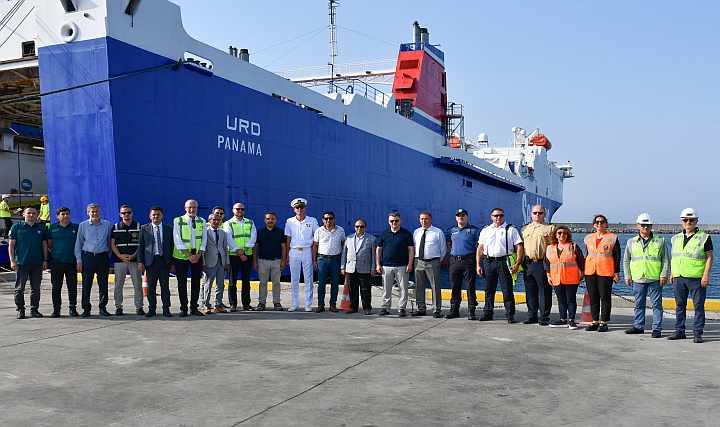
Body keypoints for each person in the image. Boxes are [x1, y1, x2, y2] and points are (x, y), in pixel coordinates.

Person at [668, 208, 714, 343]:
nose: (688, 222)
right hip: (679, 277)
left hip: (696, 278)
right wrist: (672, 272)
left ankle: (697, 333)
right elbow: (675, 257)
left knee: (698, 306)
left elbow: (710, 257)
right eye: (685, 220)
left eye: (691, 220)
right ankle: (679, 331)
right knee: (679, 305)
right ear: (681, 221)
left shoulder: (704, 237)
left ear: (696, 221)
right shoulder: (675, 238)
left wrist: (706, 275)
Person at [623, 213, 669, 338]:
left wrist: (664, 275)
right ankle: (639, 326)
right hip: (638, 278)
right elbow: (626, 260)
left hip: (655, 278)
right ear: (638, 225)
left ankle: (657, 328)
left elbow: (665, 260)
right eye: (643, 225)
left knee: (657, 305)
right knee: (639, 304)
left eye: (648, 225)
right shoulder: (631, 242)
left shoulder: (660, 240)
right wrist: (627, 276)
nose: (645, 227)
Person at [476, 208, 524, 323]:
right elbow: (480, 248)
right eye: (496, 215)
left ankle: (510, 314)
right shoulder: (486, 231)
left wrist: (517, 263)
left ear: (504, 216)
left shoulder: (511, 230)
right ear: (491, 217)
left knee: (507, 289)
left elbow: (519, 247)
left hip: (504, 261)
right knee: (488, 289)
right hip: (488, 262)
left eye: (501, 215)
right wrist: (478, 264)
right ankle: (488, 312)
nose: (498, 218)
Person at [8, 206, 48, 319]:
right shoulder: (16, 227)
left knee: (36, 288)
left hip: (37, 263)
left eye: (34, 213)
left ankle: (34, 309)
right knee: (19, 288)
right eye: (29, 213)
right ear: (23, 215)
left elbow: (44, 245)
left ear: (37, 215)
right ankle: (20, 309)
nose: (31, 215)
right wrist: (12, 260)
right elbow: (11, 245)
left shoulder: (41, 228)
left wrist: (45, 259)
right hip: (21, 263)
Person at [74, 203, 112, 317]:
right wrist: (79, 260)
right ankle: (86, 308)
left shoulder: (107, 225)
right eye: (92, 212)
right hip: (88, 256)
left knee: (103, 283)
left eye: (96, 211)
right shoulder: (83, 225)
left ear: (100, 212)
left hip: (102, 257)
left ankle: (102, 307)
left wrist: (106, 256)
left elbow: (110, 242)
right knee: (86, 284)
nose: (94, 213)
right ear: (88, 213)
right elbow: (78, 243)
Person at [583, 214, 620, 332]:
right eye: (597, 222)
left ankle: (604, 321)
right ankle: (595, 321)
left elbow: (617, 256)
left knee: (604, 297)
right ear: (594, 224)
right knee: (593, 297)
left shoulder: (613, 238)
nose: (600, 224)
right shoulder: (588, 238)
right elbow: (587, 254)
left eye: (602, 222)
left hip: (605, 271)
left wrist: (616, 272)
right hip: (590, 271)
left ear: (606, 224)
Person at [520, 204, 555, 325]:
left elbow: (553, 248)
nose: (537, 215)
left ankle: (544, 317)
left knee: (544, 291)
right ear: (531, 214)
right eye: (535, 213)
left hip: (542, 263)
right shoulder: (524, 229)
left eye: (540, 213)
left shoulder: (550, 229)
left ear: (545, 214)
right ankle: (531, 315)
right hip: (528, 263)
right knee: (530, 290)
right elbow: (519, 247)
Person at [544, 225, 585, 330]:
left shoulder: (573, 246)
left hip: (571, 279)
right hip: (556, 279)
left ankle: (571, 320)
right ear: (556, 235)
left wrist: (582, 275)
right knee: (561, 300)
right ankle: (562, 319)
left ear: (568, 235)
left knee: (571, 300)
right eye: (559, 233)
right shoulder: (550, 248)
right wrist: (548, 276)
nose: (562, 235)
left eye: (564, 233)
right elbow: (547, 264)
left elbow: (582, 262)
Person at [137, 206, 175, 317]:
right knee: (151, 287)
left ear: (162, 216)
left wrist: (172, 263)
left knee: (165, 286)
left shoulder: (169, 229)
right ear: (150, 216)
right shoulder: (144, 229)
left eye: (158, 214)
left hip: (164, 261)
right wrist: (140, 261)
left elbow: (172, 247)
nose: (156, 216)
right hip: (151, 262)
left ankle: (166, 309)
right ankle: (152, 309)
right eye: (153, 214)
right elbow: (141, 246)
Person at [172, 199, 207, 317]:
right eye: (189, 207)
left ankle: (194, 307)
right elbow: (177, 239)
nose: (192, 210)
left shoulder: (202, 221)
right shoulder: (178, 220)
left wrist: (198, 254)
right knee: (182, 282)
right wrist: (188, 255)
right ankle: (183, 308)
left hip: (197, 255)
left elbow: (204, 239)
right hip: (182, 256)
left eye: (194, 207)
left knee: (196, 282)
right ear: (185, 208)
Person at [376, 212, 414, 317]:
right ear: (389, 222)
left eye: (396, 220)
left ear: (400, 221)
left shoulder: (406, 234)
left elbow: (411, 250)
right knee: (386, 288)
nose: (394, 223)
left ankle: (401, 308)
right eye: (392, 221)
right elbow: (378, 250)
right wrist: (378, 264)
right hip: (387, 265)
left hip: (402, 265)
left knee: (403, 288)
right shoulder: (384, 234)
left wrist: (410, 264)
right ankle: (385, 307)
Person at [445, 208, 480, 320]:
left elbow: (479, 246)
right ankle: (454, 310)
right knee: (455, 286)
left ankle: (471, 310)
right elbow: (449, 245)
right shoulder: (451, 230)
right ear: (456, 217)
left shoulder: (474, 230)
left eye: (463, 215)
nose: (461, 217)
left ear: (467, 217)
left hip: (468, 261)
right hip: (454, 261)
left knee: (470, 286)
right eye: (459, 215)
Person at [284, 198, 318, 312]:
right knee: (294, 278)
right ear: (294, 209)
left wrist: (315, 257)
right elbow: (288, 238)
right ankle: (295, 303)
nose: (300, 209)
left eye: (301, 207)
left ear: (305, 208)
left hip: (307, 250)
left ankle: (308, 304)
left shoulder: (312, 221)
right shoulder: (289, 221)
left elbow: (316, 239)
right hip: (294, 251)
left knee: (308, 278)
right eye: (297, 208)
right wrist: (287, 255)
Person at [412, 211, 447, 318]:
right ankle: (421, 308)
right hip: (418, 261)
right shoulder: (416, 232)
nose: (424, 221)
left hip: (433, 261)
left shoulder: (438, 232)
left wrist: (436, 261)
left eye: (426, 219)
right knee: (419, 285)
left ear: (431, 219)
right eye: (422, 219)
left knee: (435, 286)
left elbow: (443, 249)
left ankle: (437, 309)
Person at [110, 205, 143, 316]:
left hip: (134, 260)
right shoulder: (115, 227)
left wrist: (134, 255)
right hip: (120, 261)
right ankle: (118, 307)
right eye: (124, 213)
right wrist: (120, 256)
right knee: (118, 285)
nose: (126, 215)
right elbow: (112, 244)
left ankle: (139, 307)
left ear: (132, 213)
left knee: (137, 284)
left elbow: (141, 244)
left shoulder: (139, 227)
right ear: (120, 215)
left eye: (128, 212)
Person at [224, 202, 257, 311]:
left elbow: (253, 237)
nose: (240, 211)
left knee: (246, 281)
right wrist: (238, 251)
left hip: (247, 255)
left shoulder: (250, 223)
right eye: (237, 209)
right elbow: (229, 239)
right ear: (233, 210)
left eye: (242, 209)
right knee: (232, 281)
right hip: (233, 255)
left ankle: (246, 304)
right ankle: (233, 304)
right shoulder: (228, 223)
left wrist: (244, 250)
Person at [47, 207, 79, 317]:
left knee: (72, 287)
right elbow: (49, 243)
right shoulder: (52, 228)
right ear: (57, 216)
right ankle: (56, 309)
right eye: (63, 214)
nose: (65, 216)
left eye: (67, 214)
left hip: (71, 262)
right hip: (57, 262)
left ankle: (72, 308)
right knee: (56, 287)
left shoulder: (75, 227)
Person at [341, 219, 376, 315]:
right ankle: (353, 306)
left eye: (361, 226)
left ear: (365, 227)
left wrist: (373, 268)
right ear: (354, 227)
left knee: (366, 289)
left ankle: (367, 307)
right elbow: (344, 253)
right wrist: (343, 267)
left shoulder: (371, 239)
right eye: (357, 226)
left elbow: (374, 255)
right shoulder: (349, 238)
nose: (359, 228)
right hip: (351, 267)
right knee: (353, 288)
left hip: (365, 267)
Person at [313, 210, 346, 313]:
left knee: (334, 283)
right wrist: (314, 260)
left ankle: (333, 304)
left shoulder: (340, 230)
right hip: (322, 259)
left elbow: (343, 245)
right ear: (323, 220)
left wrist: (343, 262)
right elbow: (315, 245)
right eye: (326, 218)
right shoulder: (319, 231)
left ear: (334, 219)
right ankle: (320, 305)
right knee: (321, 283)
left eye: (330, 218)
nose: (328, 220)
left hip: (335, 259)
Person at [253, 211, 287, 311]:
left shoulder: (280, 232)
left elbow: (283, 248)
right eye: (268, 219)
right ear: (264, 220)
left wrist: (283, 261)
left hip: (276, 261)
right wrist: (255, 261)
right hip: (263, 261)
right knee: (263, 283)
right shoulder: (259, 232)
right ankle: (261, 303)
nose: (270, 221)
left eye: (272, 219)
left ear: (275, 220)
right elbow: (255, 248)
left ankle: (277, 302)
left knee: (276, 283)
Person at [201, 214, 230, 314]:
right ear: (209, 220)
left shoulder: (222, 233)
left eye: (219, 220)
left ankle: (218, 304)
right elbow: (202, 249)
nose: (216, 222)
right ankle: (206, 305)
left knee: (220, 284)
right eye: (214, 220)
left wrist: (227, 261)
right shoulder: (205, 232)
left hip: (221, 261)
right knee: (208, 284)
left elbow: (225, 248)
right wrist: (203, 263)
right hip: (210, 261)